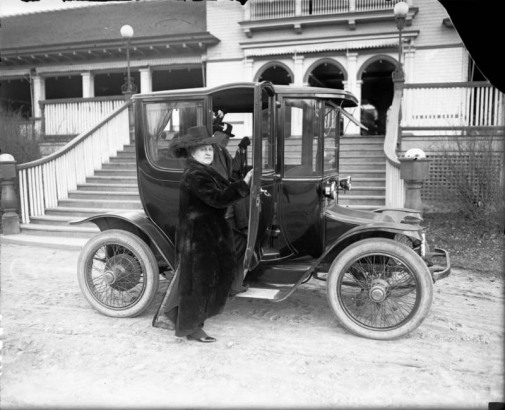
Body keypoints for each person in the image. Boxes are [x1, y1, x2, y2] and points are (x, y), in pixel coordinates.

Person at [156, 125, 253, 343]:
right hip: (198, 240)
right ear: (192, 152)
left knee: (201, 282)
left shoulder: (204, 171)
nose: (209, 152)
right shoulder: (195, 174)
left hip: (207, 237)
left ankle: (183, 319)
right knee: (197, 286)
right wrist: (244, 185)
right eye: (203, 149)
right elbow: (218, 198)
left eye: (210, 148)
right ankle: (192, 329)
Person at [212, 121, 251, 295]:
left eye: (229, 138)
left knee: (241, 241)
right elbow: (221, 178)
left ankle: (234, 285)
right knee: (239, 244)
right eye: (226, 137)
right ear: (216, 135)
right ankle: (230, 285)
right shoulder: (211, 152)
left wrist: (241, 150)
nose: (228, 140)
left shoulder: (223, 151)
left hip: (227, 205)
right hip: (221, 207)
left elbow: (234, 168)